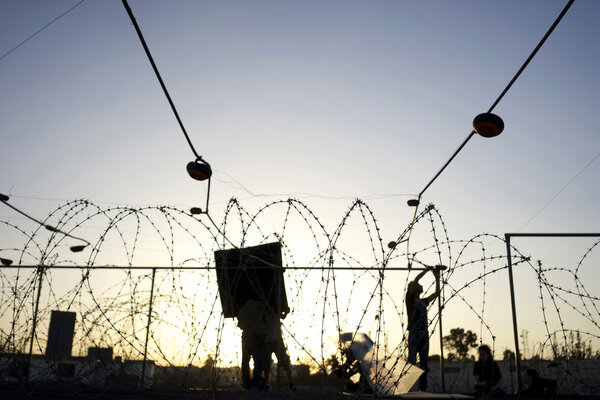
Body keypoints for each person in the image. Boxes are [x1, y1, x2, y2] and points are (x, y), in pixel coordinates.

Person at [405, 266, 440, 392]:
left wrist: (436, 277)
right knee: (412, 362)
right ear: (413, 289)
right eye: (418, 285)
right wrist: (427, 270)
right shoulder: (410, 299)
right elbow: (416, 280)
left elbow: (436, 293)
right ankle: (406, 387)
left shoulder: (423, 301)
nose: (420, 285)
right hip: (414, 334)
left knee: (424, 363)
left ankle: (423, 388)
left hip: (423, 335)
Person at [237, 298, 267, 390]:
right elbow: (266, 319)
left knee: (245, 362)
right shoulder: (260, 305)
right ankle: (255, 384)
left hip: (246, 337)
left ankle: (246, 384)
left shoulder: (243, 308)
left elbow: (240, 324)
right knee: (258, 362)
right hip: (257, 337)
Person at [263, 311, 295, 391]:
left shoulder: (275, 308)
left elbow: (284, 313)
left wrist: (284, 312)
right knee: (266, 364)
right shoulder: (262, 311)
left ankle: (291, 382)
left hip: (277, 340)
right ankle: (266, 383)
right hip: (267, 340)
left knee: (285, 361)